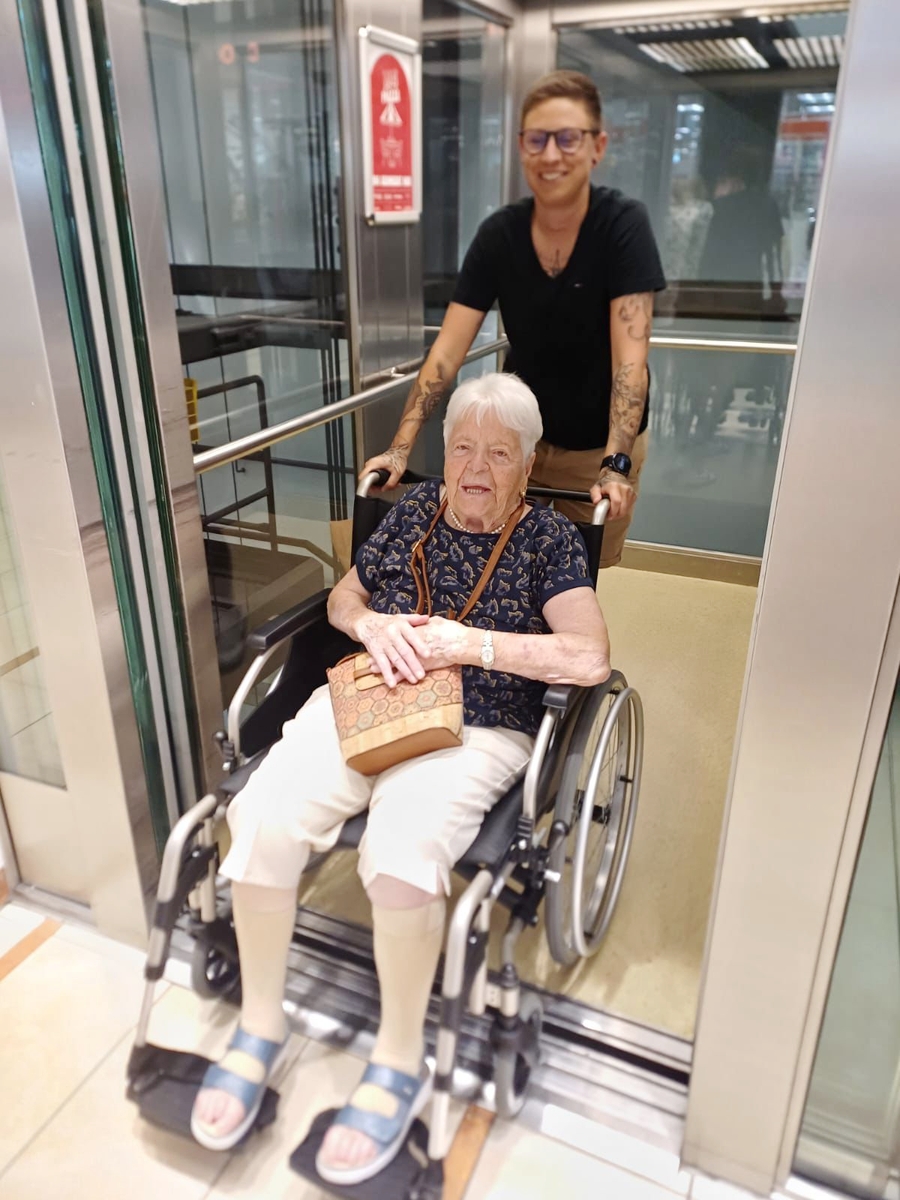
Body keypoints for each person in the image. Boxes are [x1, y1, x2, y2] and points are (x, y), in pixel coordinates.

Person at [190, 373, 611, 1185]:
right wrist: (373, 623)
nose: (476, 468)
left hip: (479, 722)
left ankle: (398, 1057)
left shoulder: (548, 540)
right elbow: (343, 600)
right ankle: (260, 1026)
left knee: (402, 858)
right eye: (463, 448)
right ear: (443, 455)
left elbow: (589, 656)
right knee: (262, 818)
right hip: (371, 698)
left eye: (500, 454)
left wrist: (468, 644)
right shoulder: (413, 511)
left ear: (528, 466)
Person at [361, 69, 666, 567]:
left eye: (568, 138)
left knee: (578, 571)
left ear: (597, 147)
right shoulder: (500, 235)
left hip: (597, 446)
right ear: (521, 146)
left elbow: (629, 364)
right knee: (502, 559)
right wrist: (399, 449)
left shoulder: (622, 226)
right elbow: (447, 352)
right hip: (518, 438)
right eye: (537, 139)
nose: (551, 154)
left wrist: (615, 464)